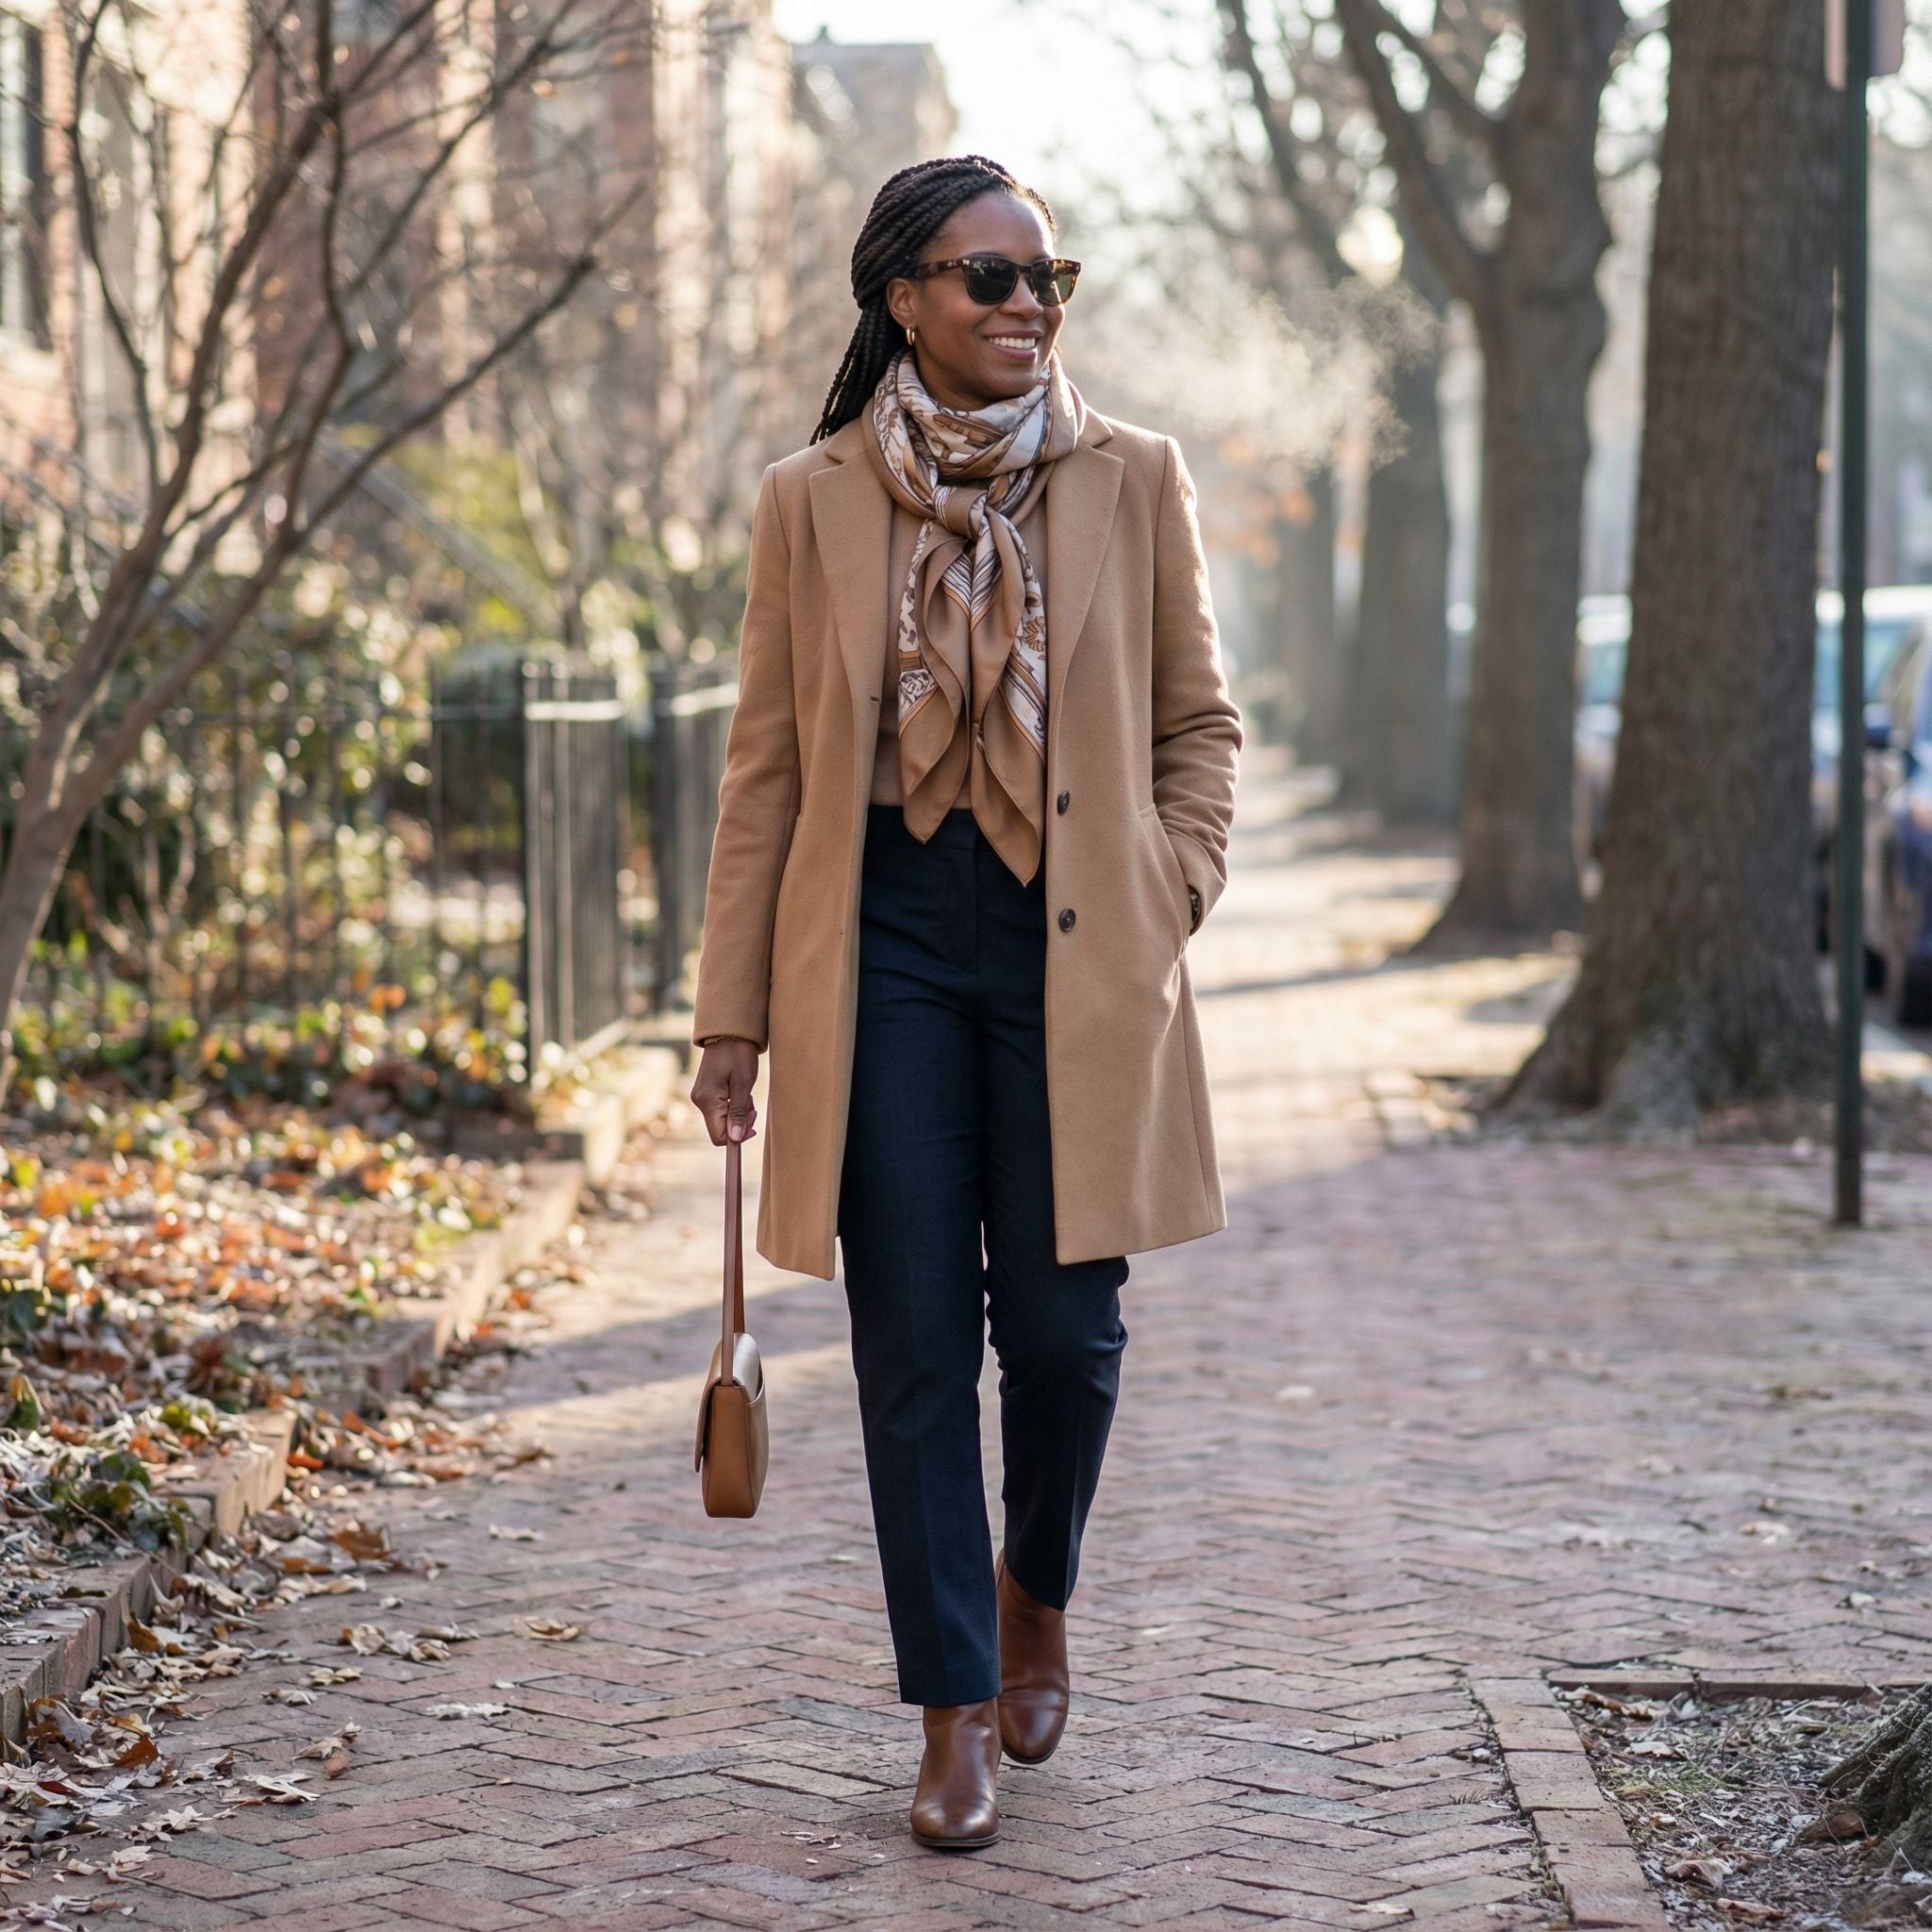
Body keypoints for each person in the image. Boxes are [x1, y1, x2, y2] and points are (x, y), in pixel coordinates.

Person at [689, 154, 1241, 1852]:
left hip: (1076, 945)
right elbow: (766, 771)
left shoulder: (1133, 479)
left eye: (1045, 279)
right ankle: (949, 1714)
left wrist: (1173, 887)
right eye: (989, 278)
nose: (1024, 305)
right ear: (904, 299)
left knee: (1068, 1340)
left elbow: (1198, 730)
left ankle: (1035, 1593)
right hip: (883, 949)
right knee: (915, 1340)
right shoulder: (812, 499)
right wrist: (731, 1017)